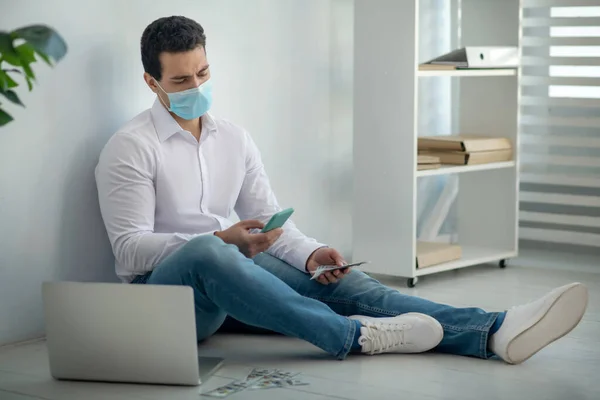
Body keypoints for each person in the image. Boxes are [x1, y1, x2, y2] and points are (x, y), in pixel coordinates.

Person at [95, 16, 589, 364]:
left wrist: (310, 255)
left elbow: (270, 220)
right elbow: (130, 250)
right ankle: (353, 338)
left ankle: (493, 330)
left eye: (203, 73)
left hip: (235, 280)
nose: (197, 85)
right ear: (151, 82)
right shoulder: (130, 146)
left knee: (345, 283)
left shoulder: (234, 137)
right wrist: (222, 242)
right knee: (208, 251)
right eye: (182, 79)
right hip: (168, 301)